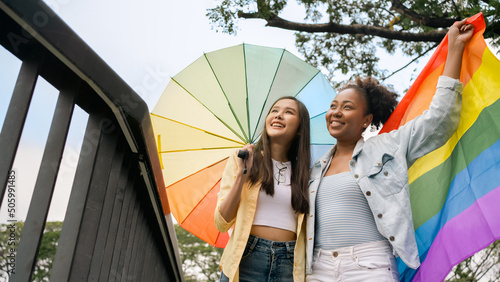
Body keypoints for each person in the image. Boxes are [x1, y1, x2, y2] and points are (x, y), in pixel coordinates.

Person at [306, 19, 475, 281]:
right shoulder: (314, 168)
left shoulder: (387, 147)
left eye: (347, 107)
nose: (336, 112)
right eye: (333, 105)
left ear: (366, 119)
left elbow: (440, 118)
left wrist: (455, 49)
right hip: (318, 269)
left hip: (370, 266)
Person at [215, 96, 311, 281]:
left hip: (290, 262)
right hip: (246, 256)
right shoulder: (241, 158)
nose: (278, 115)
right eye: (274, 111)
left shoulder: (307, 174)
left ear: (300, 129)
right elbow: (222, 221)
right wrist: (243, 175)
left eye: (288, 112)